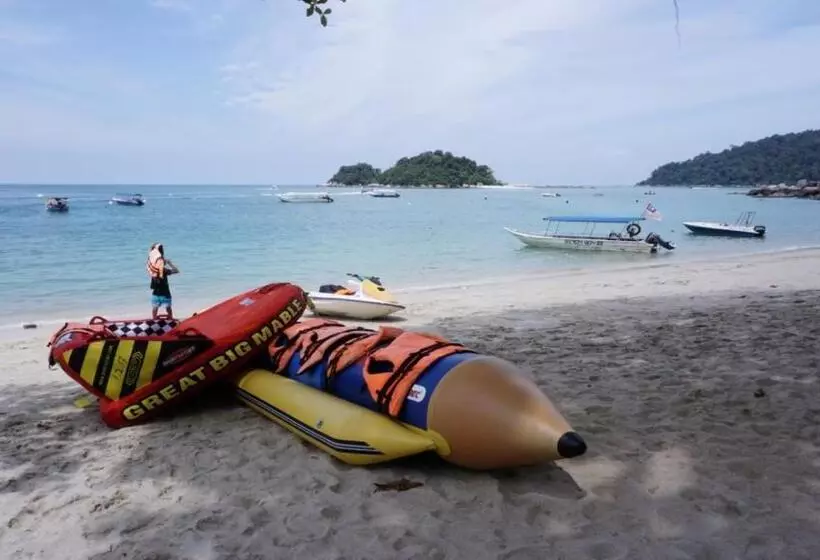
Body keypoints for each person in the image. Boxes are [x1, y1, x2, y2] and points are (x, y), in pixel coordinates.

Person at [146, 242, 178, 319]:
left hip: (157, 293)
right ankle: (170, 319)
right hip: (165, 293)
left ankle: (155, 320)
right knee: (167, 308)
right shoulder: (164, 271)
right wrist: (170, 263)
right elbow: (176, 271)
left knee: (155, 309)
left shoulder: (153, 270)